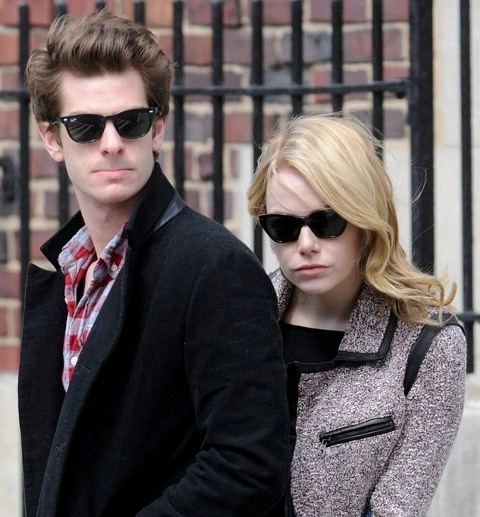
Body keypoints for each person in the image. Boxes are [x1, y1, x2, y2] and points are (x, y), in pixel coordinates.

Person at [18, 9, 290, 517]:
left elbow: (249, 463)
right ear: (52, 138)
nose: (111, 143)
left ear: (158, 128)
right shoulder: (70, 275)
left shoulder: (214, 267)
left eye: (131, 121)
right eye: (85, 126)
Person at [247, 113, 467, 516]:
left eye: (326, 221)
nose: (306, 244)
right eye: (284, 226)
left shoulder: (428, 345)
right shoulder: (239, 319)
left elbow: (396, 508)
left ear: (365, 219)